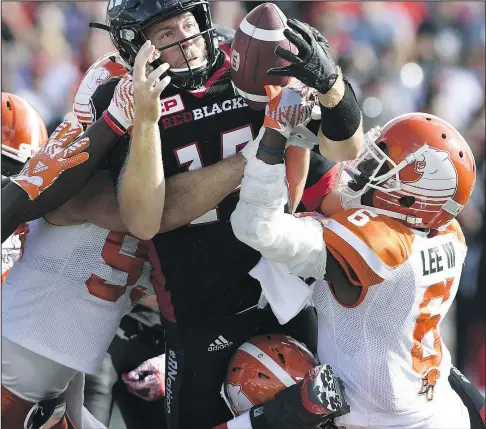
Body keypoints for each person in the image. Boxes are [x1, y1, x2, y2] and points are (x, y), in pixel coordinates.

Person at [87, 2, 363, 428]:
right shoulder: (122, 97)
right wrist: (146, 121)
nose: (187, 41)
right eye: (165, 34)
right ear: (135, 46)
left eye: (188, 23)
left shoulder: (251, 62)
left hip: (283, 296)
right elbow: (145, 218)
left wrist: (332, 88)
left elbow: (345, 150)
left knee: (327, 417)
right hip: (198, 311)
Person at [231, 107, 478, 428]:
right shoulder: (447, 231)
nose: (366, 167)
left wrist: (273, 138)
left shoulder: (379, 246)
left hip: (385, 421)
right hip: (436, 403)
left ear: (410, 198)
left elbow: (256, 227)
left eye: (383, 164)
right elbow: (342, 203)